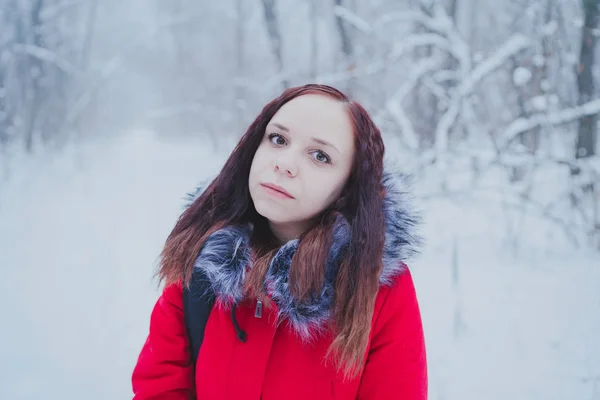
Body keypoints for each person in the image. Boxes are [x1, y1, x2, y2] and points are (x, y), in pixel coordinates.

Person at [131, 84, 427, 399]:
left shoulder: (377, 288)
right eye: (278, 139)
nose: (284, 163)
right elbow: (160, 388)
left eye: (320, 156)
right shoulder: (203, 259)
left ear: (348, 187)